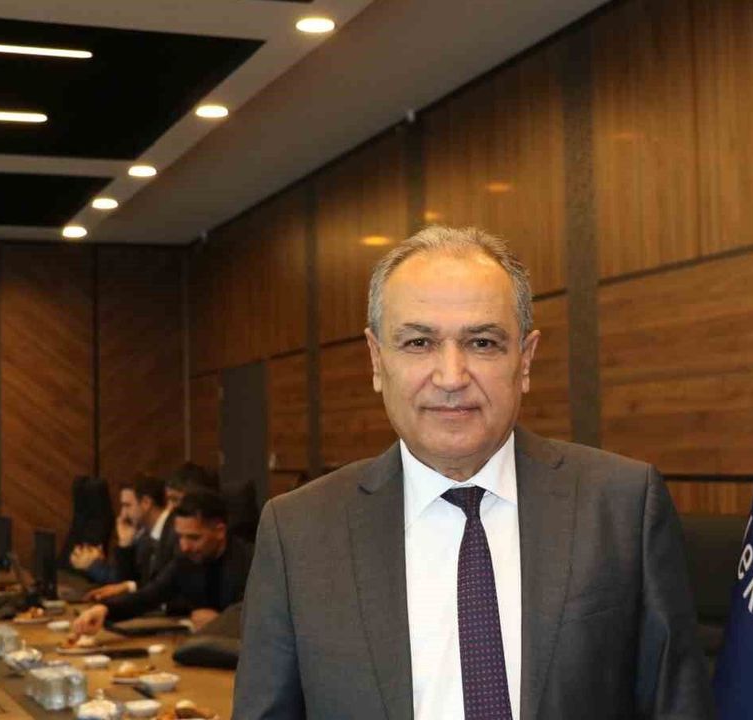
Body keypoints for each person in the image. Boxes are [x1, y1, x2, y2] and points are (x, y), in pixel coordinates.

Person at [234, 227, 712, 719]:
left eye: (482, 342)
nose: (451, 377)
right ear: (377, 360)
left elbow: (677, 706)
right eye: (419, 342)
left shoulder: (622, 505)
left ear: (525, 360)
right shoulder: (298, 532)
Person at [71, 489, 252, 634]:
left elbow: (261, 621)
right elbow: (148, 596)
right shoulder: (185, 561)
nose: (184, 546)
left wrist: (223, 623)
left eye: (194, 538)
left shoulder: (252, 562)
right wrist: (103, 610)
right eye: (180, 537)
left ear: (220, 531)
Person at [78, 475, 177, 600]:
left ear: (146, 503)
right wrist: (125, 544)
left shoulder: (176, 532)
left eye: (127, 505)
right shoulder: (145, 536)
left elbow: (168, 587)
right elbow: (128, 583)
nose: (122, 514)